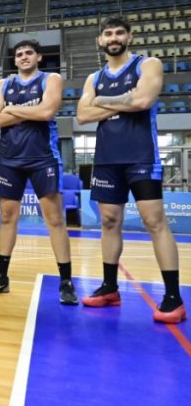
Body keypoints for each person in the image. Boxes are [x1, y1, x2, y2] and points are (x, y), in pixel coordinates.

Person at [76, 16, 185, 323]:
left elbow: (144, 100)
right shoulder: (94, 77)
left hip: (141, 157)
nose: (113, 38)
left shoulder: (147, 65)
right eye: (108, 33)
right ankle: (110, 287)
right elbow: (82, 115)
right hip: (106, 160)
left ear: (130, 37)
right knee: (109, 222)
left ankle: (173, 297)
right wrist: (125, 99)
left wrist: (102, 102)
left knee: (155, 222)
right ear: (100, 40)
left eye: (119, 33)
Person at [0, 40, 78, 304]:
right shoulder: (2, 85)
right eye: (19, 54)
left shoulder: (51, 79)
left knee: (55, 219)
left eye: (28, 53)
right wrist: (30, 112)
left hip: (43, 158)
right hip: (10, 159)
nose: (23, 57)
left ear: (39, 57)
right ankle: (1, 276)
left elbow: (47, 112)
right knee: (6, 217)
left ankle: (66, 281)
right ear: (14, 60)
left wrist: (11, 109)